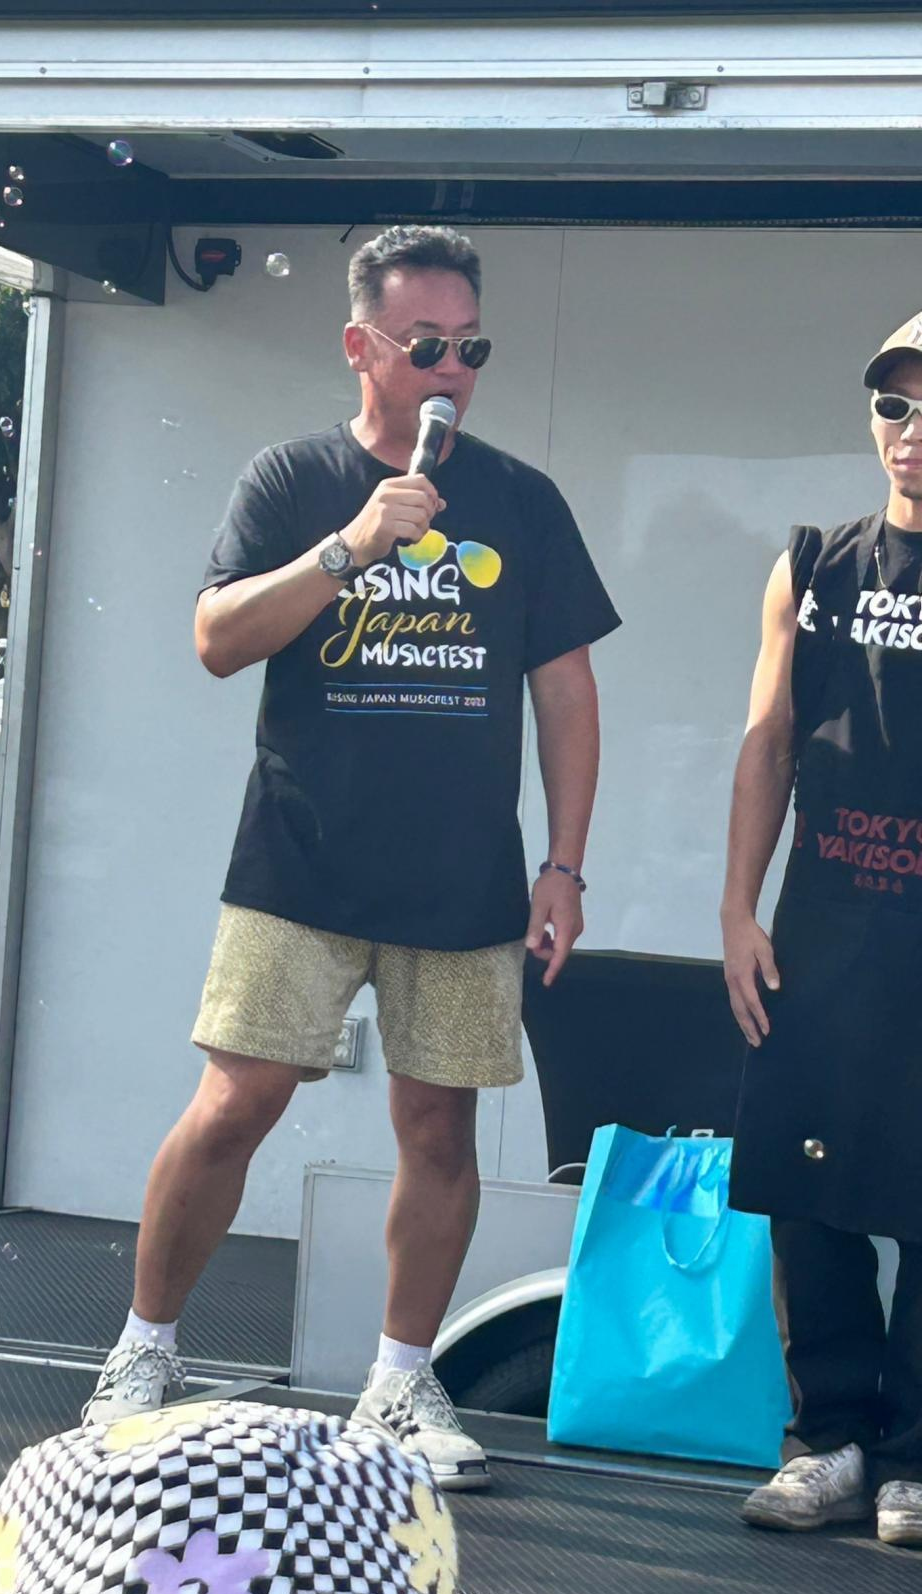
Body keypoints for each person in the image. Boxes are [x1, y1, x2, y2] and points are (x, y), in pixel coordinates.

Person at [82, 225, 620, 1491]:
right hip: (300, 865)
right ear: (359, 347)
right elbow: (217, 639)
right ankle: (142, 1352)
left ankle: (399, 1378)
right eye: (426, 346)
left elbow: (568, 693)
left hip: (463, 880)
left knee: (439, 1127)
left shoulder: (523, 500)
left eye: (472, 349)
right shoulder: (293, 478)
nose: (452, 372)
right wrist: (349, 547)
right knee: (236, 1104)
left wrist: (565, 864)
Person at [723, 314, 922, 1546]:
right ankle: (830, 1444)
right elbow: (768, 745)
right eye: (895, 404)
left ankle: (914, 1461)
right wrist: (738, 910)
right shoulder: (813, 566)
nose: (912, 430)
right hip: (824, 926)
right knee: (812, 1194)